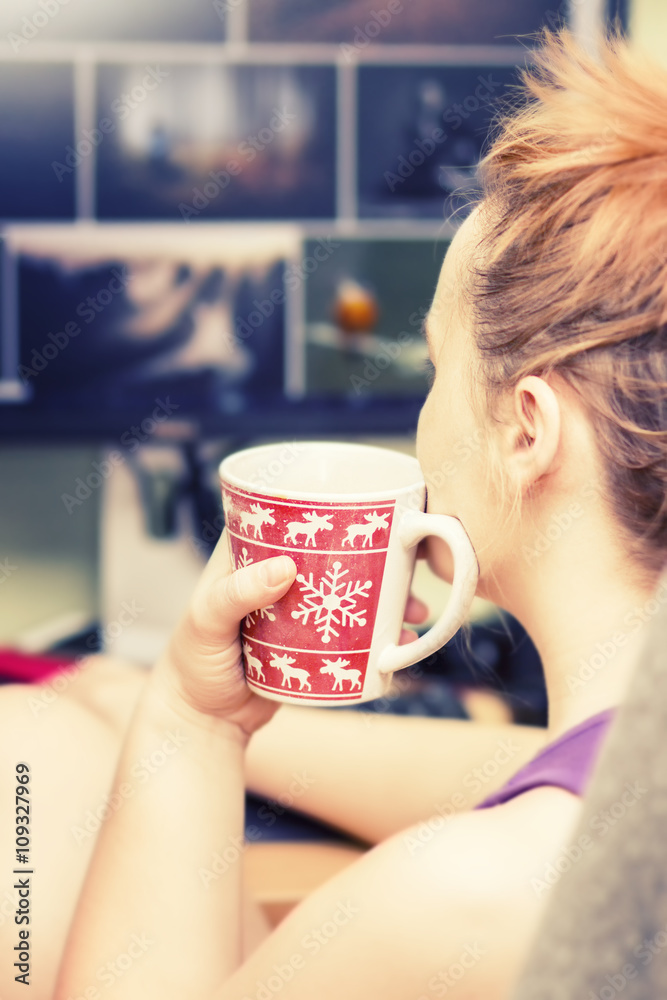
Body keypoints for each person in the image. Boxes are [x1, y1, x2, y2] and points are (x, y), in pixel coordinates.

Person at [2, 24, 665, 999]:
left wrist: (189, 727)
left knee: (28, 754)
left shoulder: (457, 900)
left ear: (527, 430)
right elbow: (527, 768)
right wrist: (161, 699)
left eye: (439, 369)